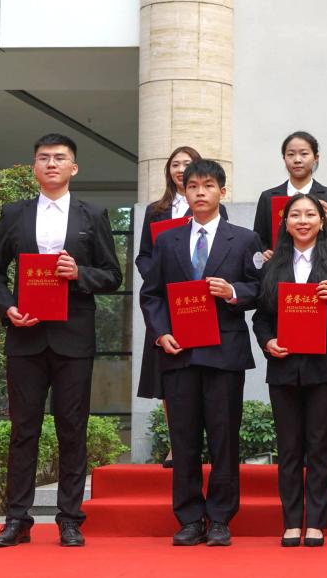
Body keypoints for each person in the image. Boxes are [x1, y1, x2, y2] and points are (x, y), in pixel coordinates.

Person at [0, 133, 122, 548]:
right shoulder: (14, 213)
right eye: (43, 158)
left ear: (73, 168)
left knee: (72, 429)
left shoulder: (92, 214)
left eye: (59, 158)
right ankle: (17, 519)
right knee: (23, 430)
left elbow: (112, 276)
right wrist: (8, 308)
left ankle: (70, 519)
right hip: (25, 336)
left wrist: (79, 273)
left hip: (73, 337)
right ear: (34, 167)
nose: (51, 163)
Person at [140, 159, 262, 547]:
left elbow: (261, 289)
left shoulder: (244, 239)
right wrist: (161, 333)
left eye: (208, 185)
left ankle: (221, 517)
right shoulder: (167, 240)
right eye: (192, 186)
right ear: (184, 191)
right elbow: (151, 294)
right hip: (179, 352)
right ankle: (190, 518)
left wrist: (234, 292)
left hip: (224, 352)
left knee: (224, 438)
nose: (200, 192)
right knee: (185, 439)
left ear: (222, 192)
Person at [252, 193, 327, 548]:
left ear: (322, 221)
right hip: (283, 368)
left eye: (310, 214)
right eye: (295, 215)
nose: (302, 221)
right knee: (289, 449)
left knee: (320, 448)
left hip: (324, 370)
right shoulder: (271, 266)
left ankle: (316, 522)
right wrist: (268, 342)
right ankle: (291, 522)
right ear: (285, 223)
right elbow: (261, 318)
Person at [134, 145, 228, 467]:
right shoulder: (156, 210)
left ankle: (206, 445)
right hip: (168, 302)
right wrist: (161, 277)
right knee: (169, 375)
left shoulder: (213, 209)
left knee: (207, 376)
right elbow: (144, 255)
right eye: (175, 164)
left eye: (187, 164)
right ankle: (179, 443)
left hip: (204, 302)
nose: (180, 169)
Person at [252, 131, 327, 259]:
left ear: (316, 157)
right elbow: (258, 240)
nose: (297, 160)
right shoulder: (268, 197)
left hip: (319, 267)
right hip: (279, 267)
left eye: (304, 154)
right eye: (291, 154)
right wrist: (264, 252)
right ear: (284, 158)